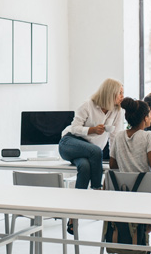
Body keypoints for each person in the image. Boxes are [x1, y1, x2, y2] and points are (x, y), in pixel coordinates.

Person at [58, 78, 125, 235]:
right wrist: (91, 130)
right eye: (120, 93)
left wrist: (116, 159)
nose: (122, 96)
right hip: (70, 142)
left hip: (89, 154)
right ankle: (97, 189)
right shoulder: (88, 105)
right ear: (110, 93)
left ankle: (73, 218)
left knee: (85, 167)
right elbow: (74, 128)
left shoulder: (118, 111)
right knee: (96, 151)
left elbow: (115, 136)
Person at [109, 97, 151, 173]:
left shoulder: (119, 136)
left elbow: (112, 165)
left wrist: (128, 163)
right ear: (145, 118)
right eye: (150, 114)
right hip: (144, 184)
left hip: (124, 184)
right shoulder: (148, 136)